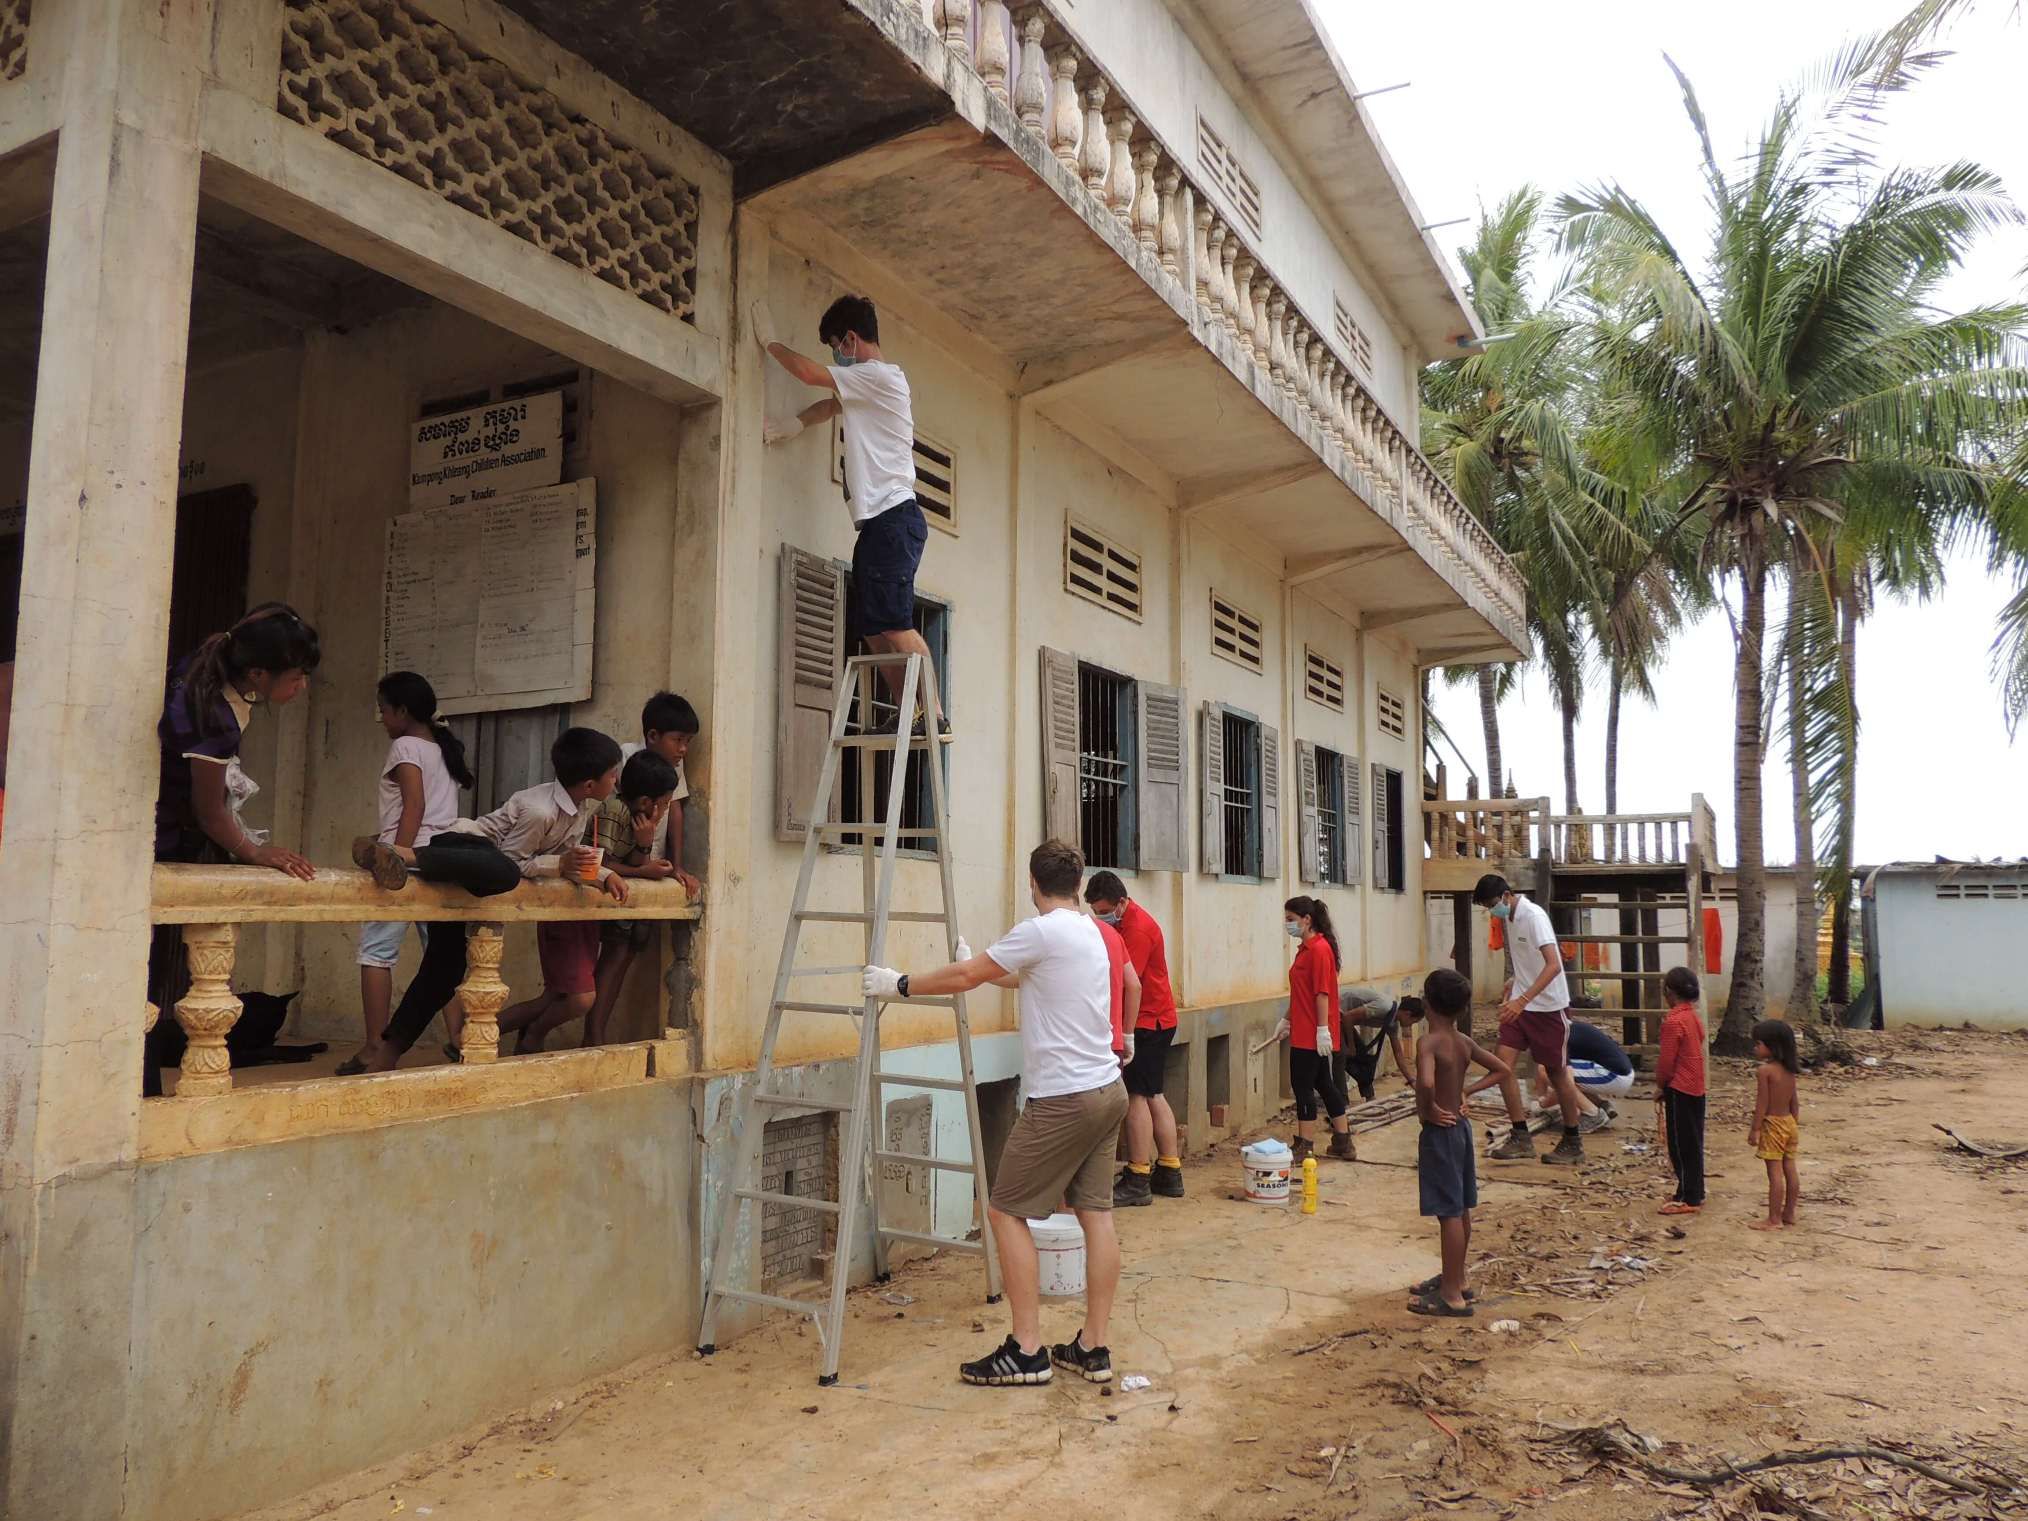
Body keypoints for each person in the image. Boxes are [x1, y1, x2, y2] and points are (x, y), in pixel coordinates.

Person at [862, 840, 1128, 1388]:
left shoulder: (1040, 930)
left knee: (1006, 1211)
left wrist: (901, 984)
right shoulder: (1093, 933)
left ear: (1033, 882)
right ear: (1077, 885)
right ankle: (1093, 1347)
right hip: (1107, 1089)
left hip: (1063, 1100)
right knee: (1096, 1215)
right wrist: (977, 958)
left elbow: (967, 981)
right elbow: (1018, 974)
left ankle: (1027, 1350)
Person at [343, 727, 625, 1074]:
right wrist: (558, 865)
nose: (616, 780)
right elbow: (514, 862)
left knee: (443, 972)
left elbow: (567, 860)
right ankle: (402, 855)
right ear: (589, 785)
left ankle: (385, 1056)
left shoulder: (579, 809)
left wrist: (603, 875)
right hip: (460, 850)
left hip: (472, 878)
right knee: (504, 873)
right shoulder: (540, 810)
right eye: (612, 774)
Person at [147, 604, 322, 1096]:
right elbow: (209, 812)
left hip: (173, 827)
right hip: (161, 836)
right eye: (296, 677)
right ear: (257, 674)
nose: (301, 687)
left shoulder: (207, 671)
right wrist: (253, 850)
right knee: (152, 972)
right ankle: (143, 1084)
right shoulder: (211, 717)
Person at [757, 294, 939, 729]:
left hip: (894, 518)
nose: (835, 357)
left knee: (895, 623)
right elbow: (827, 406)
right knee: (876, 629)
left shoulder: (880, 376)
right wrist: (793, 426)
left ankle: (932, 712)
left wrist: (769, 343)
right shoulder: (866, 389)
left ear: (851, 340)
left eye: (836, 347)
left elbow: (806, 374)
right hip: (878, 524)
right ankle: (906, 712)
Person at [356, 672, 472, 1056]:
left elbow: (415, 806)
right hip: (440, 860)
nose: (383, 719)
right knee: (442, 958)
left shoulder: (405, 746)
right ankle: (460, 1039)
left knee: (375, 952)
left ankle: (375, 1044)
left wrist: (394, 856)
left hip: (409, 860)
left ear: (402, 712)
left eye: (384, 711)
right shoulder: (442, 748)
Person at [1407, 968, 1511, 1317]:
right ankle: (1457, 1276)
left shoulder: (1429, 1042)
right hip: (1462, 1128)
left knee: (1448, 1212)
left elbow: (1423, 1081)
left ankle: (1451, 1294)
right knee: (1461, 1207)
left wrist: (1428, 1109)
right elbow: (1502, 1070)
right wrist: (1467, 1090)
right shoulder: (1463, 1042)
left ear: (1427, 1003)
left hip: (1441, 1132)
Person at [1472, 873, 1586, 1165]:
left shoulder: (1533, 916)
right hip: (1520, 1005)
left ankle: (1573, 1140)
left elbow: (1553, 965)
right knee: (1502, 1065)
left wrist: (1523, 1000)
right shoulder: (1507, 918)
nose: (1491, 910)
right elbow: (1529, 961)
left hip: (1547, 1008)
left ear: (1507, 895)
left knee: (1557, 1072)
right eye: (1487, 907)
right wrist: (1515, 982)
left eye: (1492, 904)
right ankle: (1520, 1135)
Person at [1085, 871, 1184, 1205]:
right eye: (1096, 912)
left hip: (1147, 1022)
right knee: (1154, 1093)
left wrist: (1125, 1033)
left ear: (1122, 902)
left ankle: (1139, 1175)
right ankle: (1169, 1170)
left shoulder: (1137, 929)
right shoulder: (1125, 923)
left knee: (1137, 1097)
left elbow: (1130, 984)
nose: (1101, 917)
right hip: (1157, 1019)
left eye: (1104, 911)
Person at [578, 748, 683, 1047]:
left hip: (620, 899)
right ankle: (593, 1034)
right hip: (593, 896)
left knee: (619, 960)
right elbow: (599, 865)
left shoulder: (639, 820)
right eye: (662, 805)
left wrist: (645, 846)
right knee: (604, 968)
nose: (663, 812)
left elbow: (636, 864)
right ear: (646, 802)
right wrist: (646, 871)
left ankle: (596, 1033)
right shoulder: (615, 811)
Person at [1278, 896, 1354, 1163]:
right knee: (1324, 1083)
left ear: (1306, 920)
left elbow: (1322, 993)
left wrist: (1322, 1029)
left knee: (1302, 1086)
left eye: (1291, 920)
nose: (1287, 925)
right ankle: (1343, 1140)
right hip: (1304, 1027)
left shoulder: (1319, 950)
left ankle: (1306, 1143)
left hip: (1311, 1035)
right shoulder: (1306, 949)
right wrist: (1287, 1020)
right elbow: (1302, 993)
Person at [621, 691, 702, 899]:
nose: (683, 749)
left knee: (646, 929)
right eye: (678, 740)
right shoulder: (627, 757)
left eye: (688, 741)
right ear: (653, 736)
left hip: (656, 861)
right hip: (625, 862)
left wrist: (677, 866)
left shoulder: (675, 763)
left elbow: (675, 809)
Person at [1655, 967, 1708, 1216]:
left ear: (1668, 992)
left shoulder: (1673, 1021)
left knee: (1680, 1144)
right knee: (1694, 1140)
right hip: (1697, 1085)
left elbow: (1666, 1061)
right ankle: (1693, 1189)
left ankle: (1690, 1197)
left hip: (1679, 1087)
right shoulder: (1692, 1017)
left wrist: (1660, 1085)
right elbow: (1702, 1039)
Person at [1536, 1018, 1632, 1134]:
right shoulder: (1573, 1028)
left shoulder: (1560, 1037)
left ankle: (1593, 1114)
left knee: (1549, 1071)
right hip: (1620, 1071)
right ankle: (1601, 1105)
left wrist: (1543, 1104)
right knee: (1554, 1072)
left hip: (1615, 1075)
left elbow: (1564, 1083)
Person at [1750, 1017, 1802, 1230]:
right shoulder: (1790, 1070)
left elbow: (1761, 1103)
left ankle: (1774, 1219)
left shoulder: (1765, 1071)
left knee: (1774, 1173)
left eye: (1758, 1043)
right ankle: (1789, 1212)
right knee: (1790, 1168)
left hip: (1773, 1125)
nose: (1755, 1047)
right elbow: (1795, 1103)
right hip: (1789, 1123)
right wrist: (1793, 1125)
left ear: (1772, 1046)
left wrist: (1755, 1129)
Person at [1339, 985, 1419, 1101]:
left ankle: (1370, 1097)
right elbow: (1347, 1017)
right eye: (1413, 1021)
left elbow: (1398, 1053)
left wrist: (1411, 1080)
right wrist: (1350, 1047)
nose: (1410, 1025)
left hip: (1344, 1019)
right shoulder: (1384, 1007)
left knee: (1362, 1058)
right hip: (1336, 1010)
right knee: (1341, 1058)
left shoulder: (1392, 1022)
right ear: (1407, 1013)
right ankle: (1342, 1103)